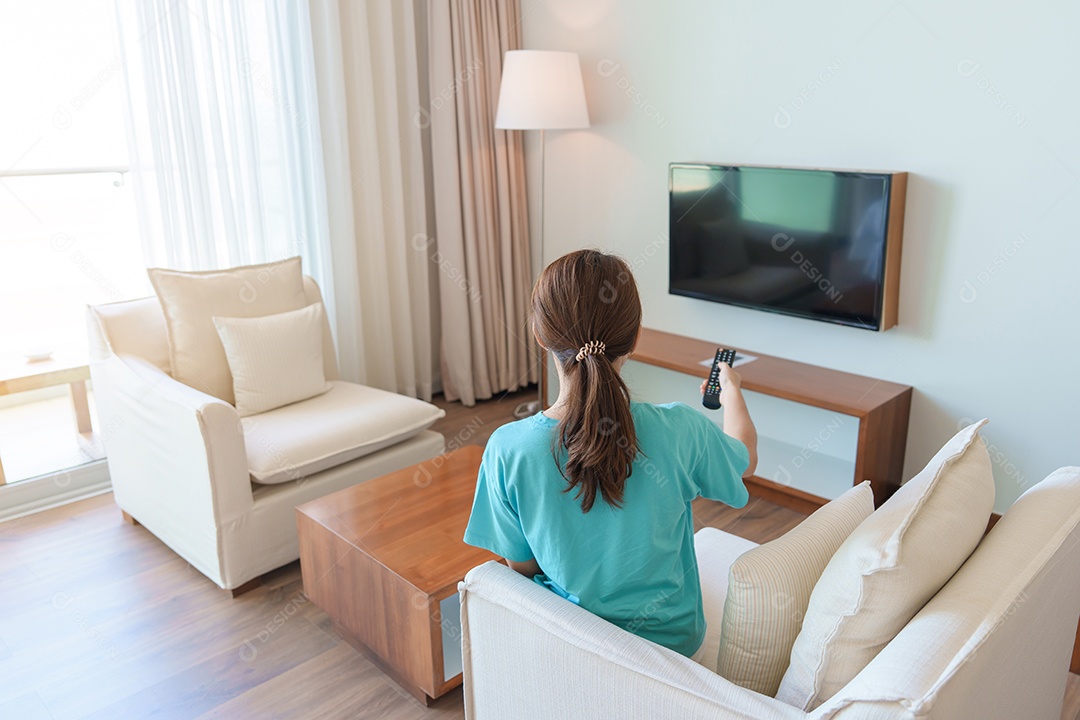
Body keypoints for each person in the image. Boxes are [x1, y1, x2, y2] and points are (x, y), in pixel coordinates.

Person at [463, 249, 758, 661]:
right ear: (635, 336)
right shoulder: (679, 429)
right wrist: (732, 392)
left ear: (538, 333)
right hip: (673, 647)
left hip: (575, 642)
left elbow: (524, 570)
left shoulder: (507, 449)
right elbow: (743, 459)